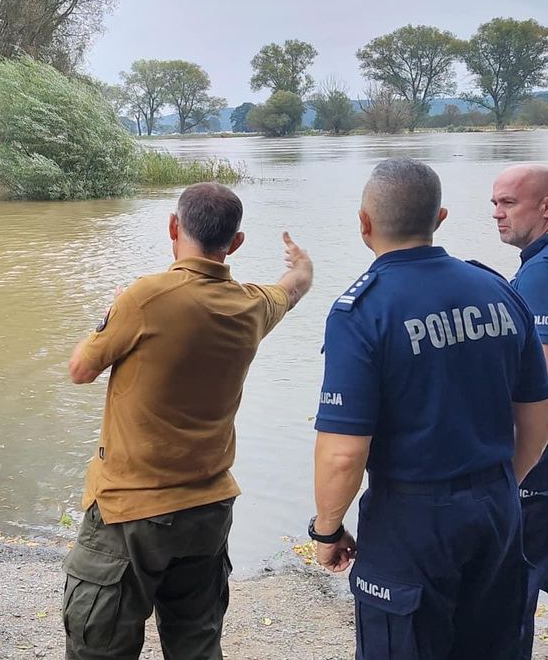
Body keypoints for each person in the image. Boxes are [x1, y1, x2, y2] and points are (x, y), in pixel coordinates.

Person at [62, 181, 313, 660]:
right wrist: (302, 265)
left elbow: (81, 370)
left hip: (130, 510)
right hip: (208, 509)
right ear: (235, 243)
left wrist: (109, 315)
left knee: (100, 644)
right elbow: (292, 289)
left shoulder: (145, 297)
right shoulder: (250, 305)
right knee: (196, 644)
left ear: (174, 227)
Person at [312, 158, 548, 660]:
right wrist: (500, 484)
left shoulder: (362, 311)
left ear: (364, 223)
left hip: (411, 519)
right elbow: (536, 417)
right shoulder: (500, 290)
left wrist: (326, 529)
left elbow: (342, 453)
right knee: (496, 643)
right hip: (498, 510)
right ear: (439, 218)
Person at [491, 163, 548, 656]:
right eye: (494, 203)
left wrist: (512, 465)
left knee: (517, 587)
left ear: (545, 206)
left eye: (508, 203)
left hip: (540, 467)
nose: (496, 213)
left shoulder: (540, 275)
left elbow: (537, 382)